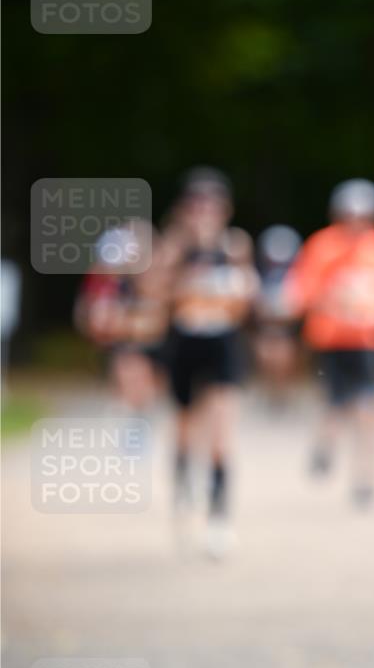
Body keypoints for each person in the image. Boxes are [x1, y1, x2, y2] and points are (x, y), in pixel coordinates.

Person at [284, 178, 374, 506]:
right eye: (350, 216)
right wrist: (337, 300)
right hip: (332, 340)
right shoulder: (322, 246)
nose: (357, 224)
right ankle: (325, 445)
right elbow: (301, 293)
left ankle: (365, 478)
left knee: (371, 406)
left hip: (370, 340)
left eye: (364, 216)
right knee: (335, 404)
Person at [164, 167, 257, 558]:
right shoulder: (173, 246)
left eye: (211, 205)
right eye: (196, 204)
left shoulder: (236, 246)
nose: (204, 212)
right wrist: (183, 255)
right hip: (185, 342)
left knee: (221, 431)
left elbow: (248, 296)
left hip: (222, 342)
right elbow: (156, 292)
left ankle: (219, 518)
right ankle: (183, 475)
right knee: (186, 423)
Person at [75, 220, 169, 416]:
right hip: (126, 345)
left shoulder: (159, 277)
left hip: (152, 344)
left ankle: (138, 413)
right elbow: (90, 317)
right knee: (128, 364)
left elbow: (158, 320)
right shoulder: (106, 280)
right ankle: (131, 415)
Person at [253, 224, 302, 406]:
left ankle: (283, 396)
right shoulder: (262, 275)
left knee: (284, 361)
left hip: (286, 330)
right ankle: (269, 393)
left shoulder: (296, 277)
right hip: (266, 328)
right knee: (265, 359)